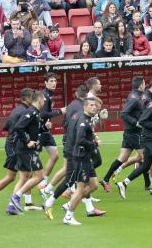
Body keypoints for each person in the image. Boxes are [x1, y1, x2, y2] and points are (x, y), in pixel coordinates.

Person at [0, 88, 33, 213]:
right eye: (32, 97)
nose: (34, 100)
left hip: (12, 144)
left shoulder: (18, 110)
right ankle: (11, 205)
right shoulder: (24, 112)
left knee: (15, 176)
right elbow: (19, 130)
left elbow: (7, 127)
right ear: (26, 99)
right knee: (24, 175)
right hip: (15, 146)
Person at [4, 90, 46, 215]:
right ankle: (16, 197)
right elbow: (18, 127)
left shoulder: (35, 112)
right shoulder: (31, 112)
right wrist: (28, 141)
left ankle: (11, 207)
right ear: (39, 100)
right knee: (39, 177)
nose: (44, 101)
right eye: (43, 99)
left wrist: (44, 128)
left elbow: (32, 129)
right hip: (26, 150)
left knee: (24, 177)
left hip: (24, 149)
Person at [61, 96, 101, 226]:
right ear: (84, 107)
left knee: (94, 185)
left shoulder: (81, 117)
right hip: (80, 157)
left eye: (95, 105)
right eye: (91, 105)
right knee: (80, 188)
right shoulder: (83, 121)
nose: (94, 107)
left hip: (85, 157)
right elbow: (80, 140)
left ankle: (70, 203)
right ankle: (68, 216)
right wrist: (94, 143)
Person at [101, 76, 146, 190]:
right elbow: (124, 113)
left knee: (122, 158)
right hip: (134, 133)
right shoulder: (135, 98)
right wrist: (136, 123)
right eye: (144, 83)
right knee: (146, 158)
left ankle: (105, 179)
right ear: (141, 85)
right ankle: (148, 185)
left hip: (129, 132)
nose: (145, 85)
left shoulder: (134, 95)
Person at [38, 73, 66, 191]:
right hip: (38, 130)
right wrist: (60, 111)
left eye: (55, 81)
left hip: (46, 130)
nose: (54, 83)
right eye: (51, 81)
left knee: (54, 156)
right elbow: (43, 114)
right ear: (46, 82)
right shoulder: (44, 95)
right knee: (33, 160)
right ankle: (25, 190)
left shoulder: (50, 95)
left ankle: (43, 182)